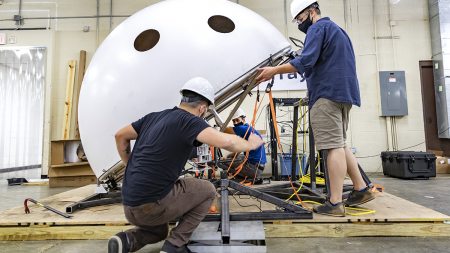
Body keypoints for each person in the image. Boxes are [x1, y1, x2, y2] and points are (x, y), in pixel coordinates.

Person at [109, 77, 264, 253]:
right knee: (207, 190)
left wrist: (130, 165)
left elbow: (120, 136)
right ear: (203, 108)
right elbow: (228, 142)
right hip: (151, 206)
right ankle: (175, 245)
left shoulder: (154, 117)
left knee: (159, 231)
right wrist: (252, 144)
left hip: (129, 204)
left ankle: (126, 241)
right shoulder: (190, 121)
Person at [255, 0, 376, 217]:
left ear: (312, 11)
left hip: (326, 94)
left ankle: (335, 202)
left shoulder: (318, 28)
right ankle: (361, 188)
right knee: (339, 142)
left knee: (332, 147)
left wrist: (273, 71)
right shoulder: (338, 30)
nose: (300, 24)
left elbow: (306, 61)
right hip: (344, 93)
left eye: (301, 19)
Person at [222, 108, 267, 183]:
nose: (235, 123)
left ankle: (242, 177)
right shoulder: (249, 129)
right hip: (258, 167)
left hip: (254, 169)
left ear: (243, 119)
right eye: (233, 121)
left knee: (221, 163)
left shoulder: (243, 129)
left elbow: (224, 129)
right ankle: (242, 176)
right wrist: (228, 156)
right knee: (239, 157)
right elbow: (238, 151)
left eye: (237, 120)